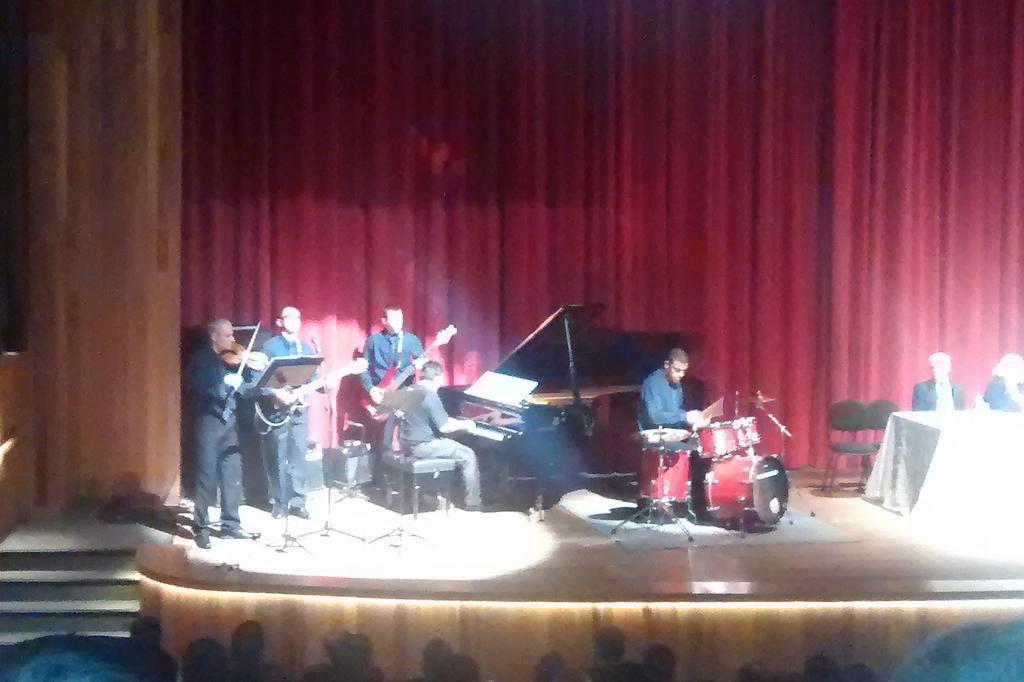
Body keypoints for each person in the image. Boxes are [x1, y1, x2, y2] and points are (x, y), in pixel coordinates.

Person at [185, 318, 257, 549]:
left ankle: (231, 524)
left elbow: (244, 389)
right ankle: (201, 527)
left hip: (229, 421)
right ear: (214, 336)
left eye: (232, 335)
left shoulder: (232, 360)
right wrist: (224, 385)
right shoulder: (201, 359)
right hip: (208, 421)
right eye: (228, 335)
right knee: (206, 476)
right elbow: (196, 386)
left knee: (232, 471)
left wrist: (251, 383)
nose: (233, 340)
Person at [398, 360, 481, 510]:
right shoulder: (430, 395)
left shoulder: (408, 390)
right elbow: (444, 427)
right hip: (424, 446)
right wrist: (467, 425)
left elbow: (428, 417)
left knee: (451, 445)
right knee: (468, 454)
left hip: (407, 444)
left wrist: (458, 422)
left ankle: (434, 494)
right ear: (437, 378)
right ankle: (473, 503)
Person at [258, 306, 316, 519]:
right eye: (289, 317)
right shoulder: (270, 347)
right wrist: (275, 393)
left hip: (299, 410)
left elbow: (311, 378)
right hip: (277, 411)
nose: (295, 321)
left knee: (299, 455)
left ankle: (298, 502)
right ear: (279, 322)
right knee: (277, 456)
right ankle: (279, 503)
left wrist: (323, 383)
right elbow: (258, 380)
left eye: (298, 317)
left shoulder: (306, 348)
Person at [360, 305, 428, 452]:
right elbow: (362, 368)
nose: (399, 322)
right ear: (384, 321)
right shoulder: (373, 341)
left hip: (403, 394)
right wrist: (370, 389)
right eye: (395, 319)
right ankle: (380, 463)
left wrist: (422, 365)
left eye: (401, 319)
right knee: (380, 440)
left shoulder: (411, 340)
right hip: (379, 394)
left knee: (403, 435)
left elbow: (424, 364)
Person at [638, 348, 710, 434]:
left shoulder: (676, 383)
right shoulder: (653, 383)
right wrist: (685, 416)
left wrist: (695, 421)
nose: (681, 374)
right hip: (654, 436)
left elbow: (676, 414)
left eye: (684, 371)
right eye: (677, 370)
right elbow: (656, 417)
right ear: (667, 365)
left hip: (674, 435)